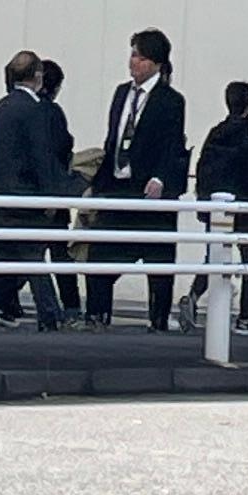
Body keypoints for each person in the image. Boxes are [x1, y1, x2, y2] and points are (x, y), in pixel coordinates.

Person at [86, 29, 188, 330]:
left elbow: (172, 145)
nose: (134, 62)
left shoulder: (171, 101)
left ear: (157, 63)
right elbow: (112, 140)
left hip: (148, 191)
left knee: (158, 261)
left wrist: (160, 177)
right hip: (116, 185)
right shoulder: (121, 94)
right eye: (133, 54)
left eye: (142, 57)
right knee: (100, 255)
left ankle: (158, 320)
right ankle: (96, 316)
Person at [0, 54, 67, 329]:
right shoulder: (36, 110)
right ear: (37, 75)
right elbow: (41, 156)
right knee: (34, 258)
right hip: (25, 198)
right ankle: (50, 316)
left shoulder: (0, 108)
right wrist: (51, 195)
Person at [183, 79, 248, 332]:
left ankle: (193, 296)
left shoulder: (215, 134)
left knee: (214, 257)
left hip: (217, 207)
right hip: (247, 207)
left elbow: (203, 168)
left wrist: (204, 201)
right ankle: (244, 319)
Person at [34, 59, 84, 324]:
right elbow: (64, 145)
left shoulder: (28, 109)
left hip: (32, 193)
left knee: (26, 252)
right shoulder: (53, 113)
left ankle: (4, 303)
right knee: (61, 254)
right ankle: (71, 306)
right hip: (55, 190)